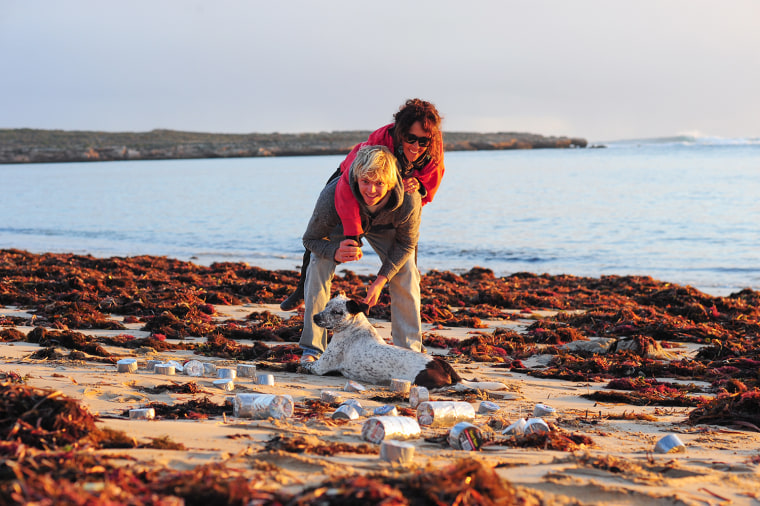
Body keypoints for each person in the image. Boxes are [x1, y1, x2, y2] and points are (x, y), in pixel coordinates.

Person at [280, 98, 444, 311]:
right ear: (400, 132)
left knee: (407, 259)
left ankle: (407, 320)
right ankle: (302, 289)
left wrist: (420, 185)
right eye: (410, 138)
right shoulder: (380, 140)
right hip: (351, 182)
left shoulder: (433, 144)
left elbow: (435, 175)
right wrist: (351, 237)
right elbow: (347, 191)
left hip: (391, 192)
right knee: (319, 244)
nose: (416, 146)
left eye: (422, 141)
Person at [298, 145, 422, 362]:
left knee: (406, 269)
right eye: (365, 182)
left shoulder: (409, 199)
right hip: (342, 225)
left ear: (391, 183)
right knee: (318, 263)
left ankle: (409, 352)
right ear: (356, 179)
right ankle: (312, 349)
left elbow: (406, 244)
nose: (371, 190)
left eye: (379, 184)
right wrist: (335, 251)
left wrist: (380, 280)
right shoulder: (332, 194)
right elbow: (310, 239)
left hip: (386, 226)